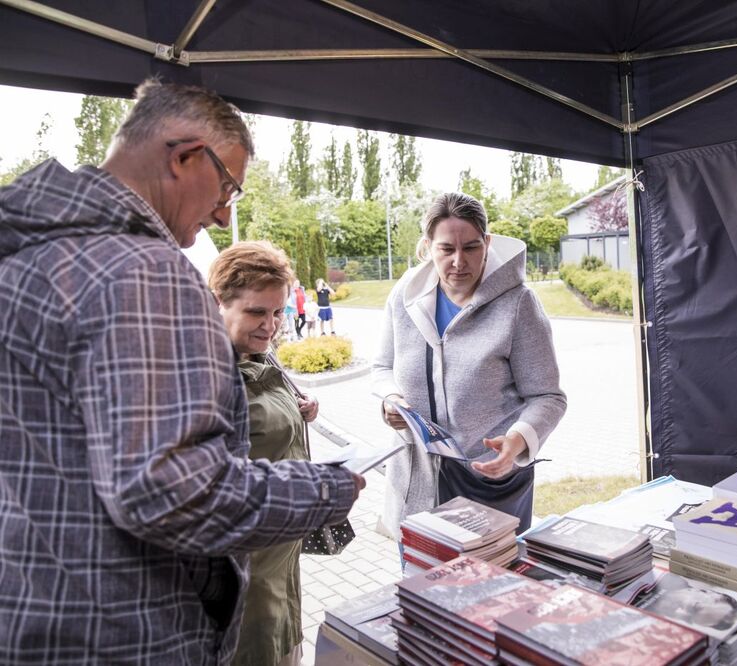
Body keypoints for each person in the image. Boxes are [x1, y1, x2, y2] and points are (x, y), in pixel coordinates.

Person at [0, 79, 364, 665]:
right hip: (130, 633)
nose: (223, 215)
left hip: (36, 614)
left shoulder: (27, 253)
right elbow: (170, 494)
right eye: (227, 188)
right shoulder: (145, 269)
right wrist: (328, 489)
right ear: (187, 156)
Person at [372, 192, 566, 548]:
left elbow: (548, 397)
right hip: (416, 487)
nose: (459, 262)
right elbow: (381, 367)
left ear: (487, 243)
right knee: (419, 577)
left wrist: (518, 440)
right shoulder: (404, 295)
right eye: (446, 249)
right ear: (427, 246)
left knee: (488, 582)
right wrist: (390, 399)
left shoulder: (518, 304)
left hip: (486, 484)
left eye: (472, 247)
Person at [208, 241, 321, 666]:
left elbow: (267, 416)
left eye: (278, 312)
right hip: (245, 573)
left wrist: (299, 407)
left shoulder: (256, 352)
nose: (271, 326)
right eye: (257, 312)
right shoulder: (207, 377)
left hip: (281, 557)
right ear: (217, 303)